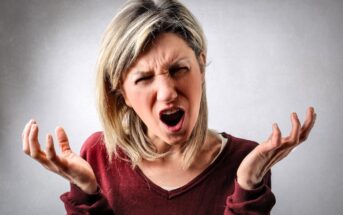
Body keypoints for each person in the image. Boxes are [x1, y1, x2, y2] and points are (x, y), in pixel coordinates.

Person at [22, 0, 316, 214]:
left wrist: (247, 185)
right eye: (144, 78)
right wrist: (87, 192)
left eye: (178, 69)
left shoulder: (245, 160)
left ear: (201, 66)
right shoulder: (98, 156)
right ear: (120, 91)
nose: (167, 93)